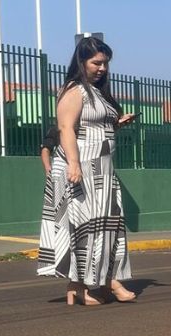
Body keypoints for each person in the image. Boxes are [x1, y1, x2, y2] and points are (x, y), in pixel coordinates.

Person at [36, 37, 138, 305]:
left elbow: (94, 128)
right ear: (82, 62)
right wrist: (73, 164)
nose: (102, 68)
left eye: (105, 63)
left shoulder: (97, 92)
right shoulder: (75, 90)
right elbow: (66, 128)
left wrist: (117, 124)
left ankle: (106, 279)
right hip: (81, 168)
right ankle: (79, 285)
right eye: (97, 63)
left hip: (102, 170)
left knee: (108, 226)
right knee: (84, 227)